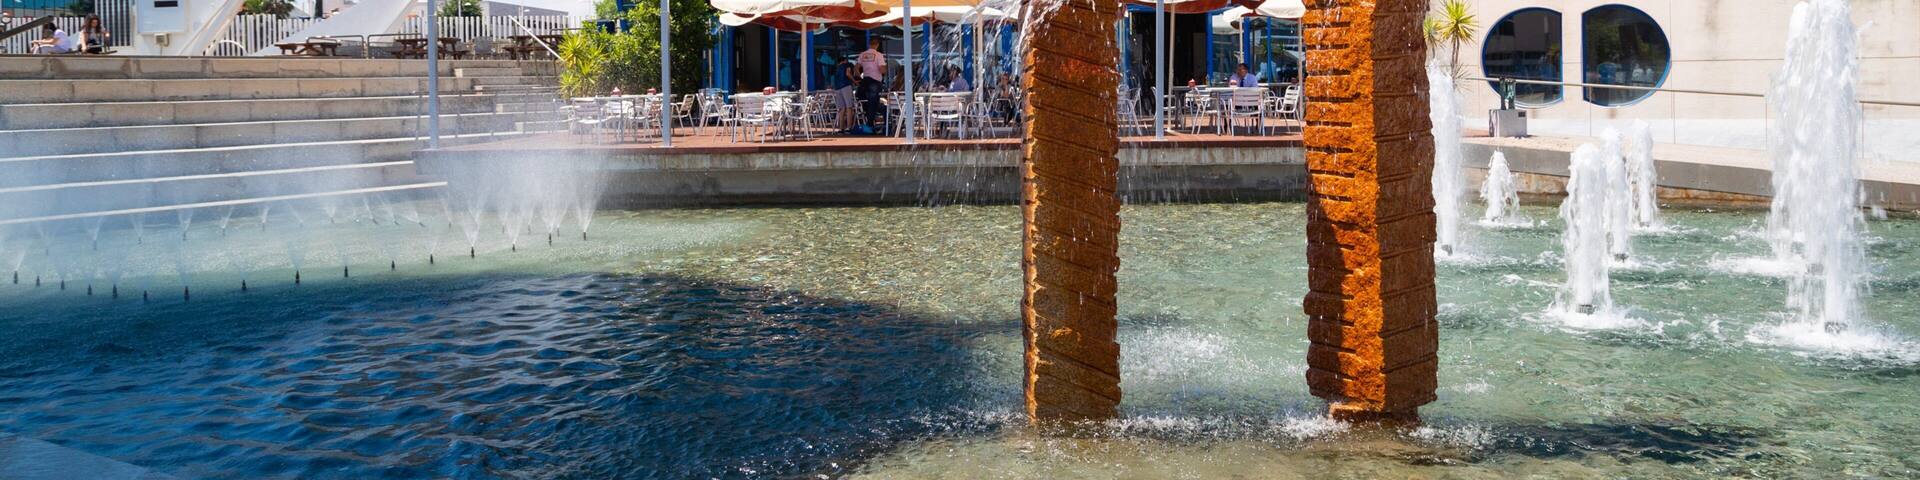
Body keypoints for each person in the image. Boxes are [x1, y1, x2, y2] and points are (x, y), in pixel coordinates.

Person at [855, 38, 886, 133]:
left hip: (865, 81)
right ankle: (870, 124)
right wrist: (885, 70)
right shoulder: (878, 55)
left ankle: (869, 123)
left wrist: (859, 77)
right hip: (875, 81)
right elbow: (882, 69)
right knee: (874, 103)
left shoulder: (862, 54)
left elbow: (856, 67)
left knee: (868, 103)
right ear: (877, 45)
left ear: (869, 45)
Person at [832, 55, 858, 130]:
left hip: (837, 88)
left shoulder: (836, 69)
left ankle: (841, 128)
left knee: (841, 108)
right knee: (849, 107)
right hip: (846, 86)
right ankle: (849, 127)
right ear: (844, 60)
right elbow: (848, 73)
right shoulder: (847, 65)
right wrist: (855, 81)